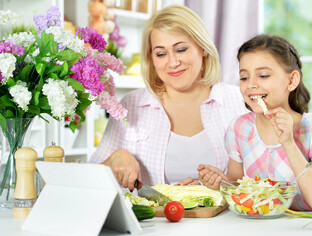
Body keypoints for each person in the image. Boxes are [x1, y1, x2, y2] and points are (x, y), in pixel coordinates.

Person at [90, 5, 248, 191]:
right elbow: (89, 179)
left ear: (203, 48)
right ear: (151, 59)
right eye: (161, 54)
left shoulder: (240, 101)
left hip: (225, 219)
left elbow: (266, 178)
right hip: (152, 220)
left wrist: (225, 185)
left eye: (181, 49)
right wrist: (116, 157)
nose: (173, 62)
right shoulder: (131, 105)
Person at [198, 34, 312, 215]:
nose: (251, 84)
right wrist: (220, 184)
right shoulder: (239, 129)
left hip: (303, 228)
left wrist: (288, 142)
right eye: (244, 77)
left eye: (263, 75)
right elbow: (238, 194)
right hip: (254, 227)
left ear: (292, 80)